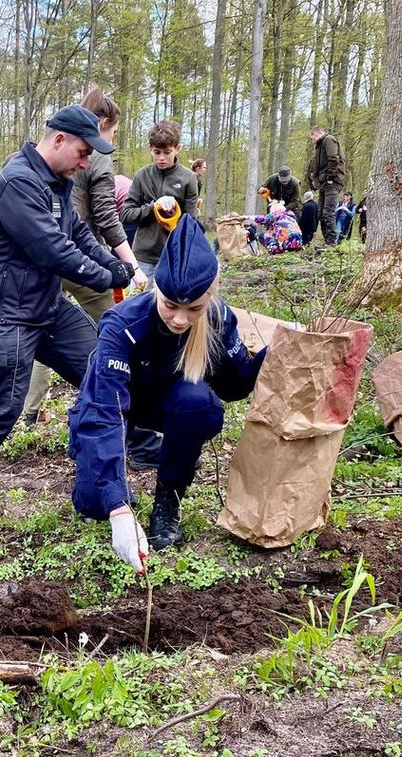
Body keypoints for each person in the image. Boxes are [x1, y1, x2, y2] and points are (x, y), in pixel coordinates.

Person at [0, 105, 133, 505]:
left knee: (99, 369)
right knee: (5, 406)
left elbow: (78, 235)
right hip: (7, 315)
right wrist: (105, 276)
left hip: (47, 306)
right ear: (59, 140)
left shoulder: (56, 182)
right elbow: (52, 250)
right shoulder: (17, 182)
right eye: (84, 152)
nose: (86, 161)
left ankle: (103, 473)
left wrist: (116, 263)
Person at [68, 218, 266, 564]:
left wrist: (273, 353)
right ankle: (101, 496)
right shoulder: (122, 324)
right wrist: (118, 509)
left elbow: (234, 387)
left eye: (194, 309)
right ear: (157, 288)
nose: (179, 319)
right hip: (114, 399)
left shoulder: (218, 319)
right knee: (95, 504)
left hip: (168, 401)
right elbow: (105, 413)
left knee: (198, 405)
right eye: (170, 305)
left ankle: (168, 500)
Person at [22, 87, 148, 426]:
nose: (87, 158)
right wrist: (129, 267)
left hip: (51, 257)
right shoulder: (96, 157)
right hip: (78, 259)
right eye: (113, 132)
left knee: (46, 325)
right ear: (103, 123)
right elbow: (107, 217)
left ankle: (30, 412)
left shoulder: (48, 151)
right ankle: (127, 406)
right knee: (118, 328)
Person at [121, 121, 199, 282]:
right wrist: (152, 207)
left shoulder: (189, 178)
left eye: (167, 152)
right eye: (157, 152)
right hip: (143, 255)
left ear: (178, 148)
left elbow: (191, 221)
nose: (161, 158)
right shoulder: (142, 176)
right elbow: (126, 214)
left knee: (170, 304)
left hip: (174, 256)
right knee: (139, 303)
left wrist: (173, 215)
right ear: (150, 149)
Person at [306, 126, 346, 245]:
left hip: (332, 182)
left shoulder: (329, 140)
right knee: (321, 213)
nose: (311, 140)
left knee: (328, 212)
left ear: (316, 134)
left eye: (312, 137)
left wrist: (330, 177)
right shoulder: (319, 146)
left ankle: (332, 242)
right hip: (323, 183)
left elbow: (333, 158)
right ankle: (326, 239)